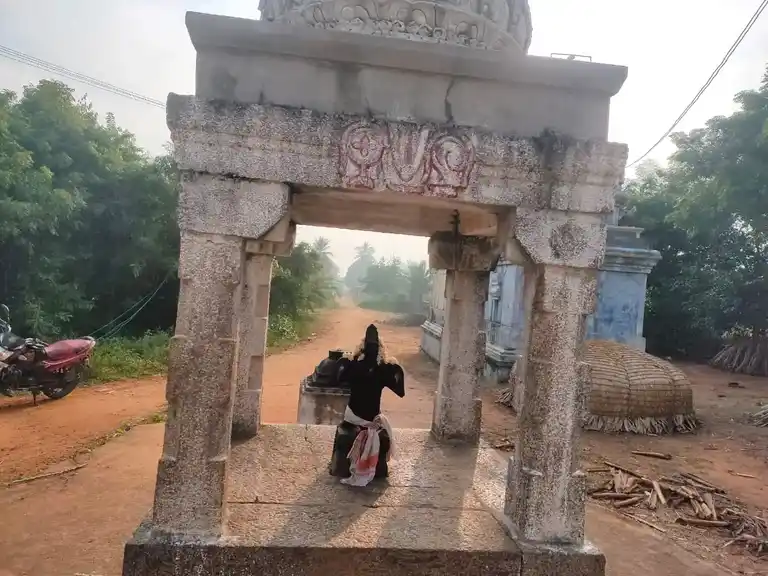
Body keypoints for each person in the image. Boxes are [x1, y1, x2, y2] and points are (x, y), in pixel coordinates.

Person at [329, 324, 405, 486]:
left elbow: (337, 379)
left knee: (348, 427)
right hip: (373, 419)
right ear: (380, 349)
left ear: (362, 348)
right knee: (378, 427)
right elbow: (400, 391)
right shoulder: (385, 368)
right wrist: (394, 367)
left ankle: (345, 464)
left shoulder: (353, 364)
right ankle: (375, 467)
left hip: (352, 418)